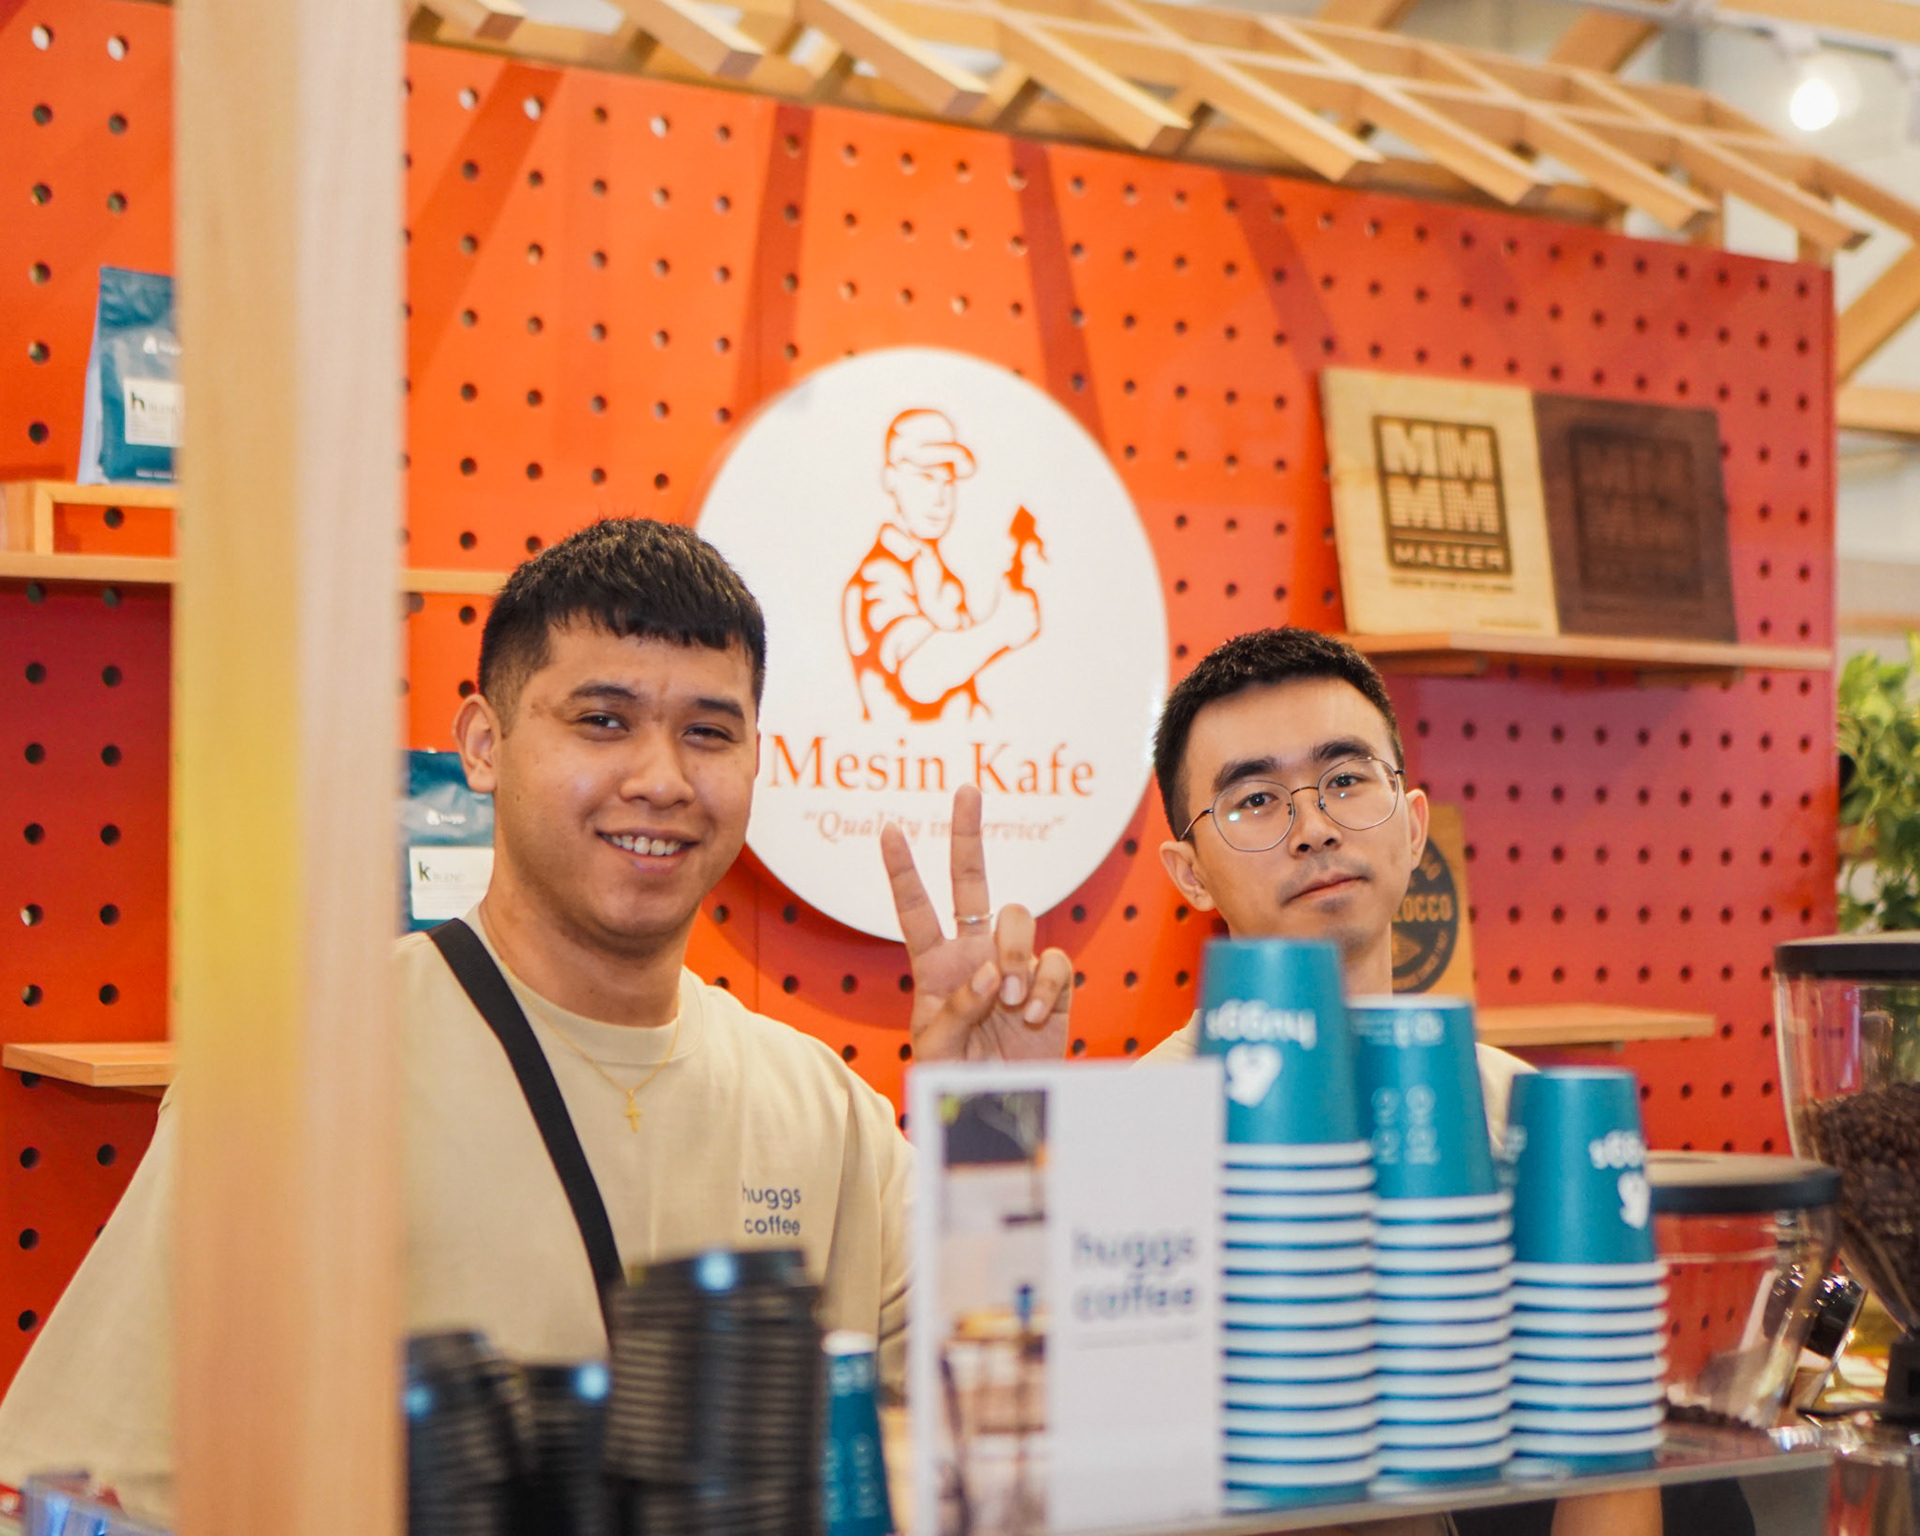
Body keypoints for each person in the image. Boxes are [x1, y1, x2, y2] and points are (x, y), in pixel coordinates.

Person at [0, 519, 1069, 1520]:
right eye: (603, 722)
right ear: (484, 744)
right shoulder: (299, 1076)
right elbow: (74, 1496)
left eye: (708, 733)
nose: (661, 780)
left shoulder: (823, 1112)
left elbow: (1005, 1427)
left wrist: (996, 1122)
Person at [1133, 627, 1665, 1536]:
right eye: (1255, 799)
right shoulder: (1142, 1137)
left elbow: (1607, 1442)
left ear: (1414, 827)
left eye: (1345, 780)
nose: (1314, 827)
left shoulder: (1522, 1114)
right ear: (1190, 874)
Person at [841, 407, 1042, 723]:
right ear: (891, 478)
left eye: (947, 481)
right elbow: (919, 676)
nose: (940, 497)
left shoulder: (940, 576)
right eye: (925, 477)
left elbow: (960, 683)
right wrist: (1000, 628)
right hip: (898, 751)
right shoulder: (878, 575)